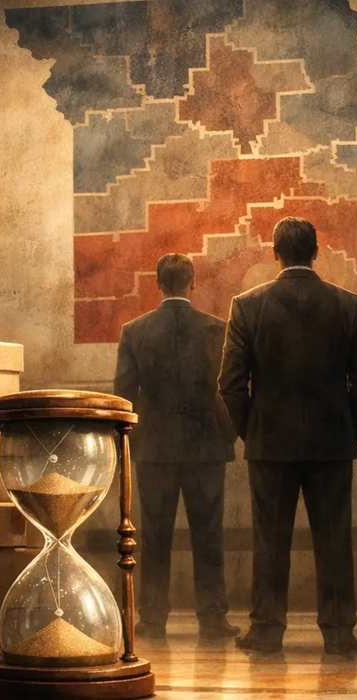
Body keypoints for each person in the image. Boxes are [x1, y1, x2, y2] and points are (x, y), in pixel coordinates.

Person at [219, 217, 357, 656]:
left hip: (270, 443)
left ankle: (267, 631)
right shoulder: (348, 305)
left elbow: (230, 384)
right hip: (332, 441)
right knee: (334, 539)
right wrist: (349, 428)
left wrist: (254, 431)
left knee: (269, 542)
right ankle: (340, 633)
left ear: (275, 253)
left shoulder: (247, 305)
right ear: (316, 251)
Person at [114, 253, 239, 641]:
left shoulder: (135, 331)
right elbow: (229, 391)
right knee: (208, 535)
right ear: (193, 281)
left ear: (157, 283)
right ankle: (213, 618)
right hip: (205, 447)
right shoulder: (216, 329)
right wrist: (227, 435)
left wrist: (137, 443)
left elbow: (124, 394)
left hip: (154, 449)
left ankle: (152, 618)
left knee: (154, 536)